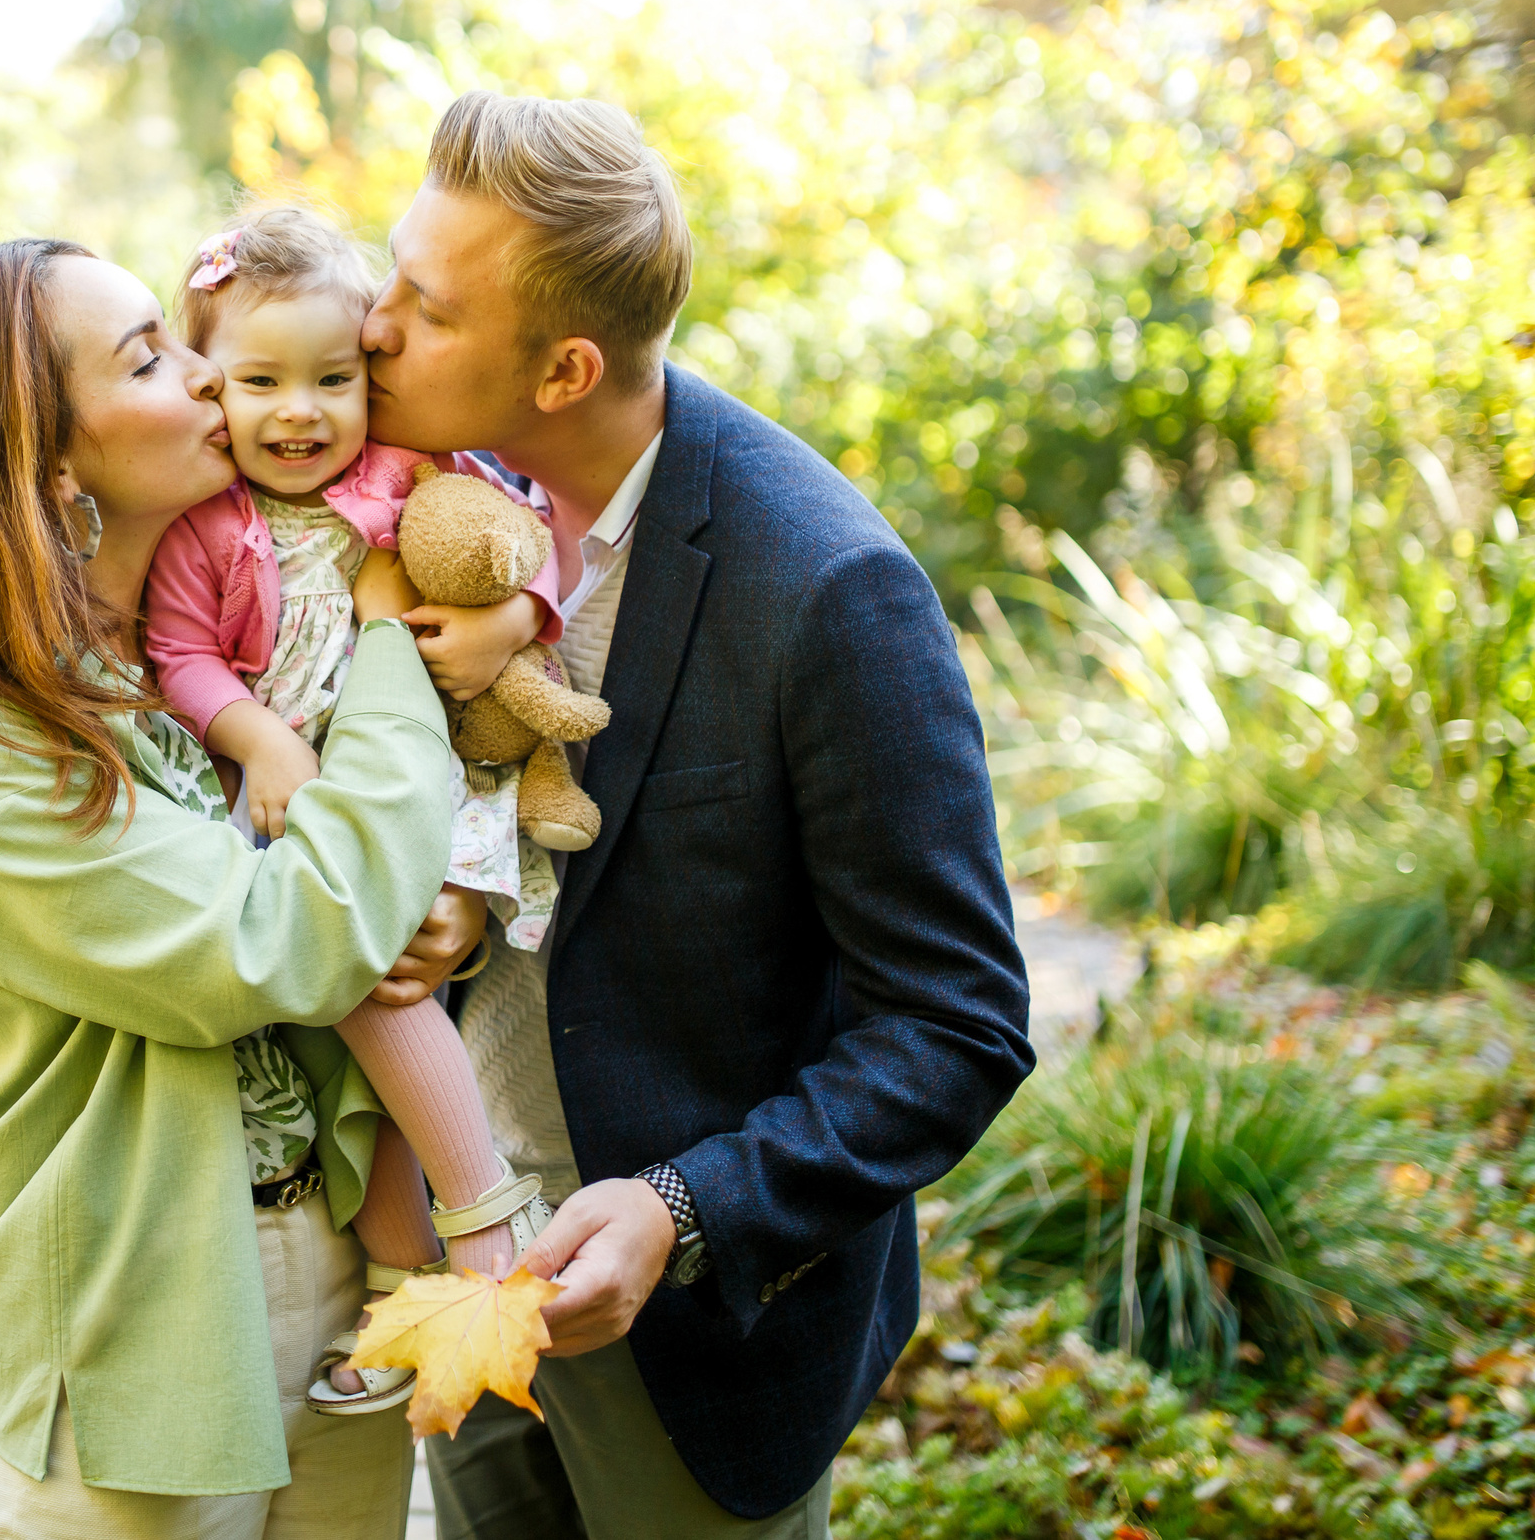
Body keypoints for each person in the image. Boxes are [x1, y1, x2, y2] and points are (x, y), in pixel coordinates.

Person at [364, 93, 1036, 1537]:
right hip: (463, 1262)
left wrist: (681, 1208)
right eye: (388, 277)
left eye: (426, 308)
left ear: (565, 369)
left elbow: (957, 1021)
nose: (373, 327)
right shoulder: (422, 500)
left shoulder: (829, 587)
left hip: (697, 1336)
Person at [0, 237, 480, 1539]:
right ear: (51, 466)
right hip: (145, 1302)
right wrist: (392, 636)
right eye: (147, 359)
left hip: (339, 1260)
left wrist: (437, 904)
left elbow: (360, 878)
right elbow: (282, 941)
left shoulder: (206, 650)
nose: (206, 376)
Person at [143, 204, 563, 1417]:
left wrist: (514, 616)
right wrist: (259, 737)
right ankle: (401, 1287)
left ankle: (484, 1231)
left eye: (333, 379)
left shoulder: (403, 477)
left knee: (376, 987)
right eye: (259, 381)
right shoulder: (202, 522)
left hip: (417, 788)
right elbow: (180, 657)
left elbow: (524, 539)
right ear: (206, 382)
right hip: (290, 794)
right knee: (347, 1043)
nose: (300, 412)